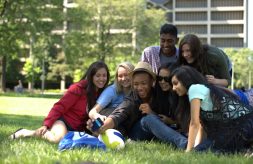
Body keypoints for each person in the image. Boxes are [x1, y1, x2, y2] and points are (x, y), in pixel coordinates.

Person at [9, 61, 110, 143]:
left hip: (79, 128)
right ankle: (25, 133)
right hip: (63, 122)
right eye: (98, 76)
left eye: (104, 75)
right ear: (91, 76)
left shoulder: (104, 94)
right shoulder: (78, 88)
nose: (101, 79)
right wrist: (46, 124)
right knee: (58, 140)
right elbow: (59, 107)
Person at [170, 65, 253, 153]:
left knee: (205, 152)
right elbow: (202, 127)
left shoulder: (194, 89)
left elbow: (194, 124)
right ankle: (244, 149)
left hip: (243, 126)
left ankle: (244, 150)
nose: (173, 88)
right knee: (199, 151)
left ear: (185, 80)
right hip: (240, 126)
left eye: (176, 83)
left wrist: (188, 150)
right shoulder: (202, 89)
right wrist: (195, 148)